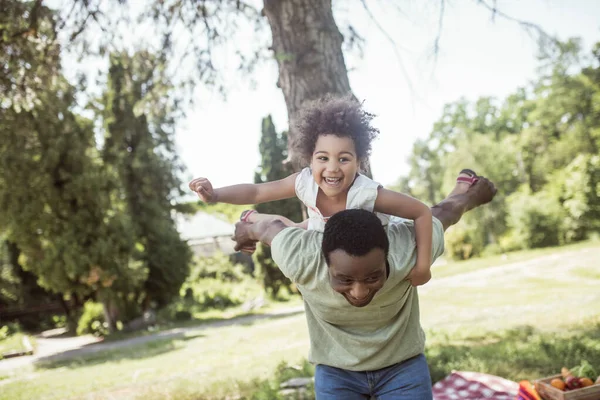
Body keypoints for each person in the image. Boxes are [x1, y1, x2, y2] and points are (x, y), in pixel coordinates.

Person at [230, 171, 497, 399]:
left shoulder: (406, 251)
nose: (359, 292)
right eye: (344, 279)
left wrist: (466, 196)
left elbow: (442, 213)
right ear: (324, 262)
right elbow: (269, 227)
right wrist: (245, 229)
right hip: (336, 371)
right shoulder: (303, 258)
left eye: (373, 277)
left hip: (402, 366)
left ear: (387, 257)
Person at [189, 95, 478, 286]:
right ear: (310, 157)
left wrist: (423, 267)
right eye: (323, 158)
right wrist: (216, 195)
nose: (332, 168)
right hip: (322, 229)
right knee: (294, 228)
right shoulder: (304, 181)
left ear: (359, 162)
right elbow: (255, 191)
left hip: (372, 236)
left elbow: (419, 212)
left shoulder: (365, 194)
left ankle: (464, 188)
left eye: (344, 158)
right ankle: (254, 220)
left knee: (441, 215)